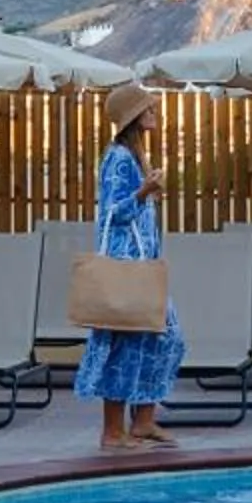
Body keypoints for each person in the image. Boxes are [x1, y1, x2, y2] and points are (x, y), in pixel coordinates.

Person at [78, 82, 184, 450]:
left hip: (142, 266)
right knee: (125, 344)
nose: (155, 112)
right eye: (148, 108)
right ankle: (112, 431)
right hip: (125, 267)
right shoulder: (118, 159)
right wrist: (143, 193)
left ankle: (142, 421)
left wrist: (148, 189)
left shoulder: (136, 157)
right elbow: (111, 212)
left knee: (163, 338)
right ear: (133, 117)